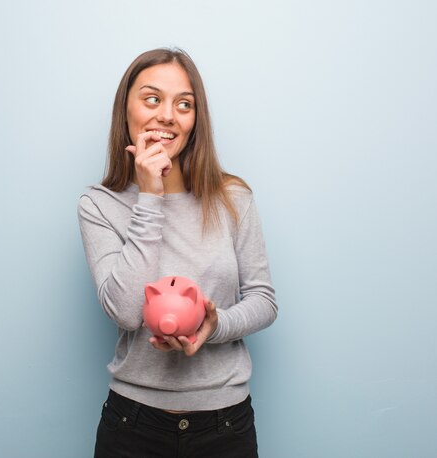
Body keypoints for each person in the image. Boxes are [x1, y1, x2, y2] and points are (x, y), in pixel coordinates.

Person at [77, 47, 278, 458]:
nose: (167, 115)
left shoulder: (233, 198)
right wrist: (149, 195)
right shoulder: (99, 204)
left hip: (225, 425)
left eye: (183, 104)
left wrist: (214, 326)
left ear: (194, 119)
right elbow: (127, 312)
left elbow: (264, 300)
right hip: (132, 425)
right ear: (126, 111)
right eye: (152, 99)